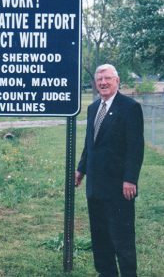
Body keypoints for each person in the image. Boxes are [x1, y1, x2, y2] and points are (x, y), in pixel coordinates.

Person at [75, 64, 144, 277]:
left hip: (119, 188)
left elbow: (135, 147)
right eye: (99, 79)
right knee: (100, 236)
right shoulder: (93, 108)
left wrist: (130, 179)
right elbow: (90, 144)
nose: (103, 83)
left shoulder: (130, 107)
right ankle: (106, 273)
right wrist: (81, 170)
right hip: (95, 187)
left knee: (121, 238)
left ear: (117, 80)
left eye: (107, 78)